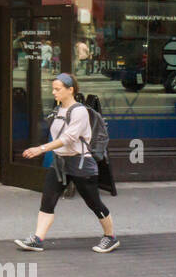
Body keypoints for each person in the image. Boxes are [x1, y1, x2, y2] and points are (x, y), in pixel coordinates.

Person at [14, 72, 118, 253]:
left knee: (94, 203)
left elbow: (69, 138)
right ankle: (37, 239)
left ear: (70, 90)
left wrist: (41, 149)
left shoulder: (79, 112)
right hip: (60, 163)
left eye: (57, 89)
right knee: (47, 199)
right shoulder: (57, 110)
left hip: (81, 164)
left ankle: (110, 237)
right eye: (53, 89)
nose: (53, 92)